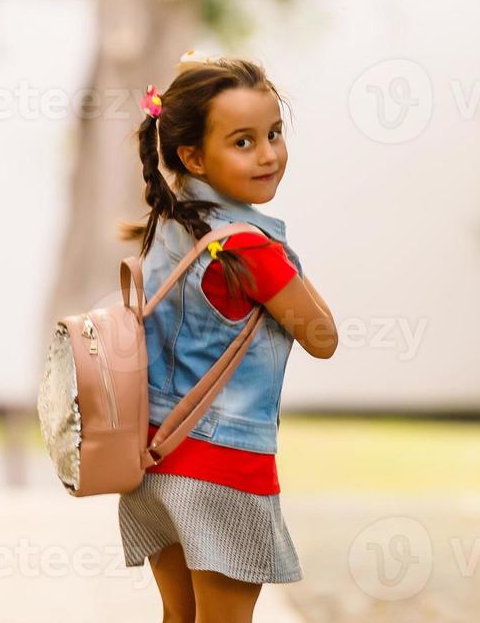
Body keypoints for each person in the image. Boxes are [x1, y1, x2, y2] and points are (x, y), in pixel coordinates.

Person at [115, 50, 338, 623]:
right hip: (224, 467)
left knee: (178, 615)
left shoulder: (170, 222)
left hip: (153, 459)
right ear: (193, 154)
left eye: (275, 133)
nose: (268, 155)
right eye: (243, 141)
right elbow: (323, 336)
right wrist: (279, 251)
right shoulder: (247, 245)